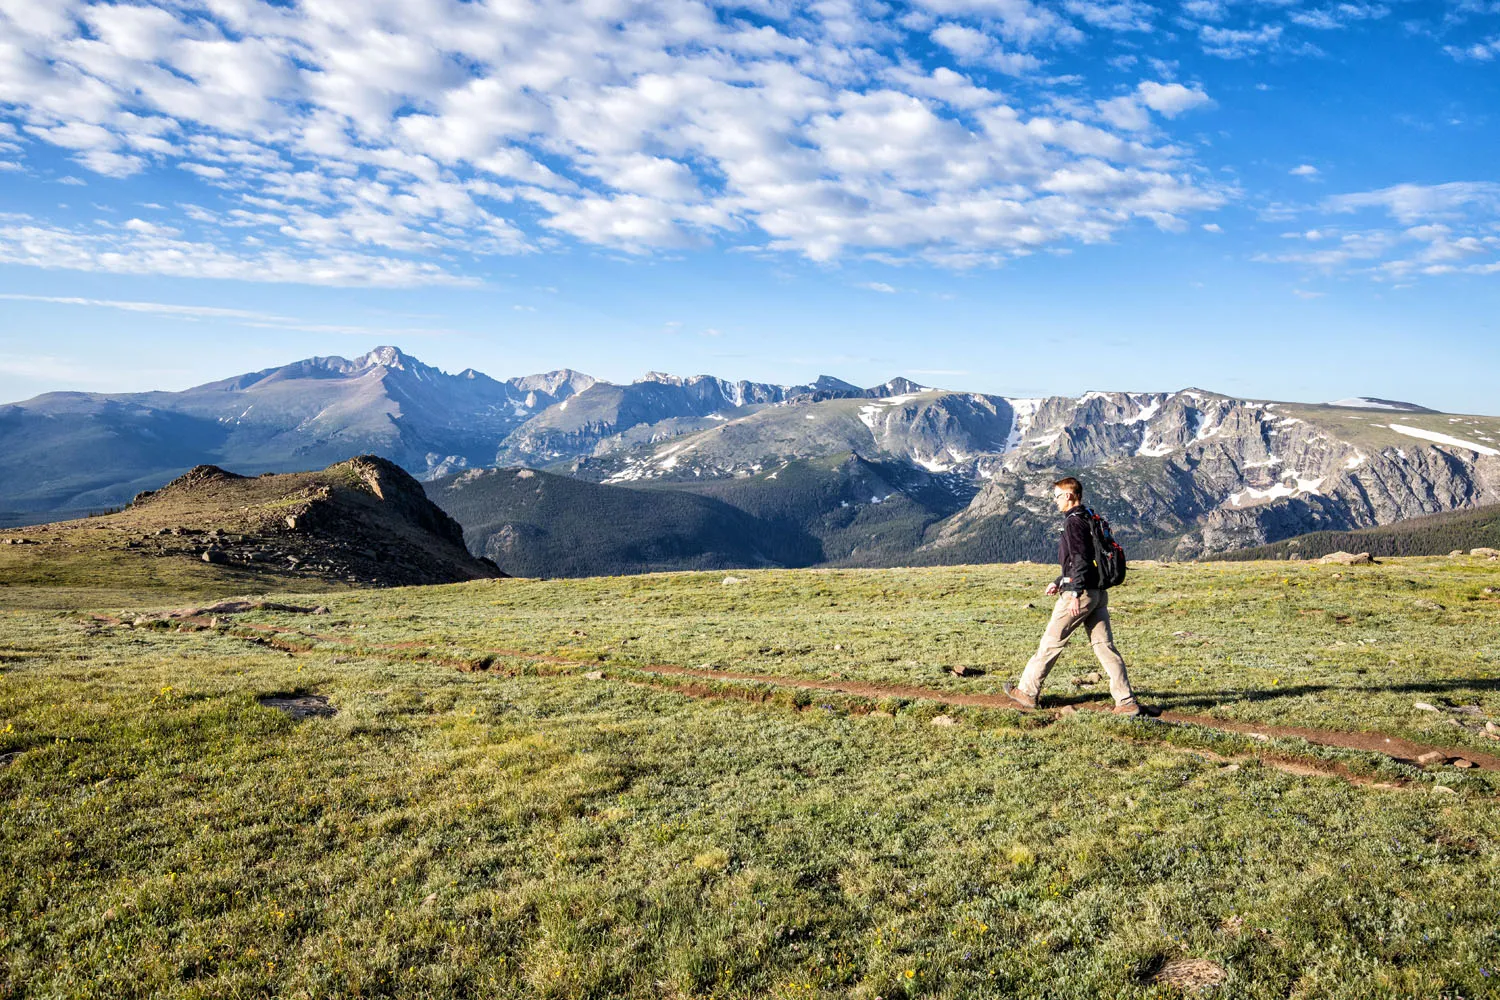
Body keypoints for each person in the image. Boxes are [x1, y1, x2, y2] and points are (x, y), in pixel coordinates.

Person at [1003, 477, 1147, 716]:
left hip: (1081, 594)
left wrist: (1074, 594)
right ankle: (1126, 701)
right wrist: (1059, 581)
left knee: (1051, 642)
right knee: (1104, 646)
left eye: (1057, 496)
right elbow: (1084, 560)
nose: (1055, 501)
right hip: (1099, 593)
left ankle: (1027, 692)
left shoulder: (1073, 522)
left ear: (1069, 496)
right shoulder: (1089, 517)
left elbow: (1080, 559)